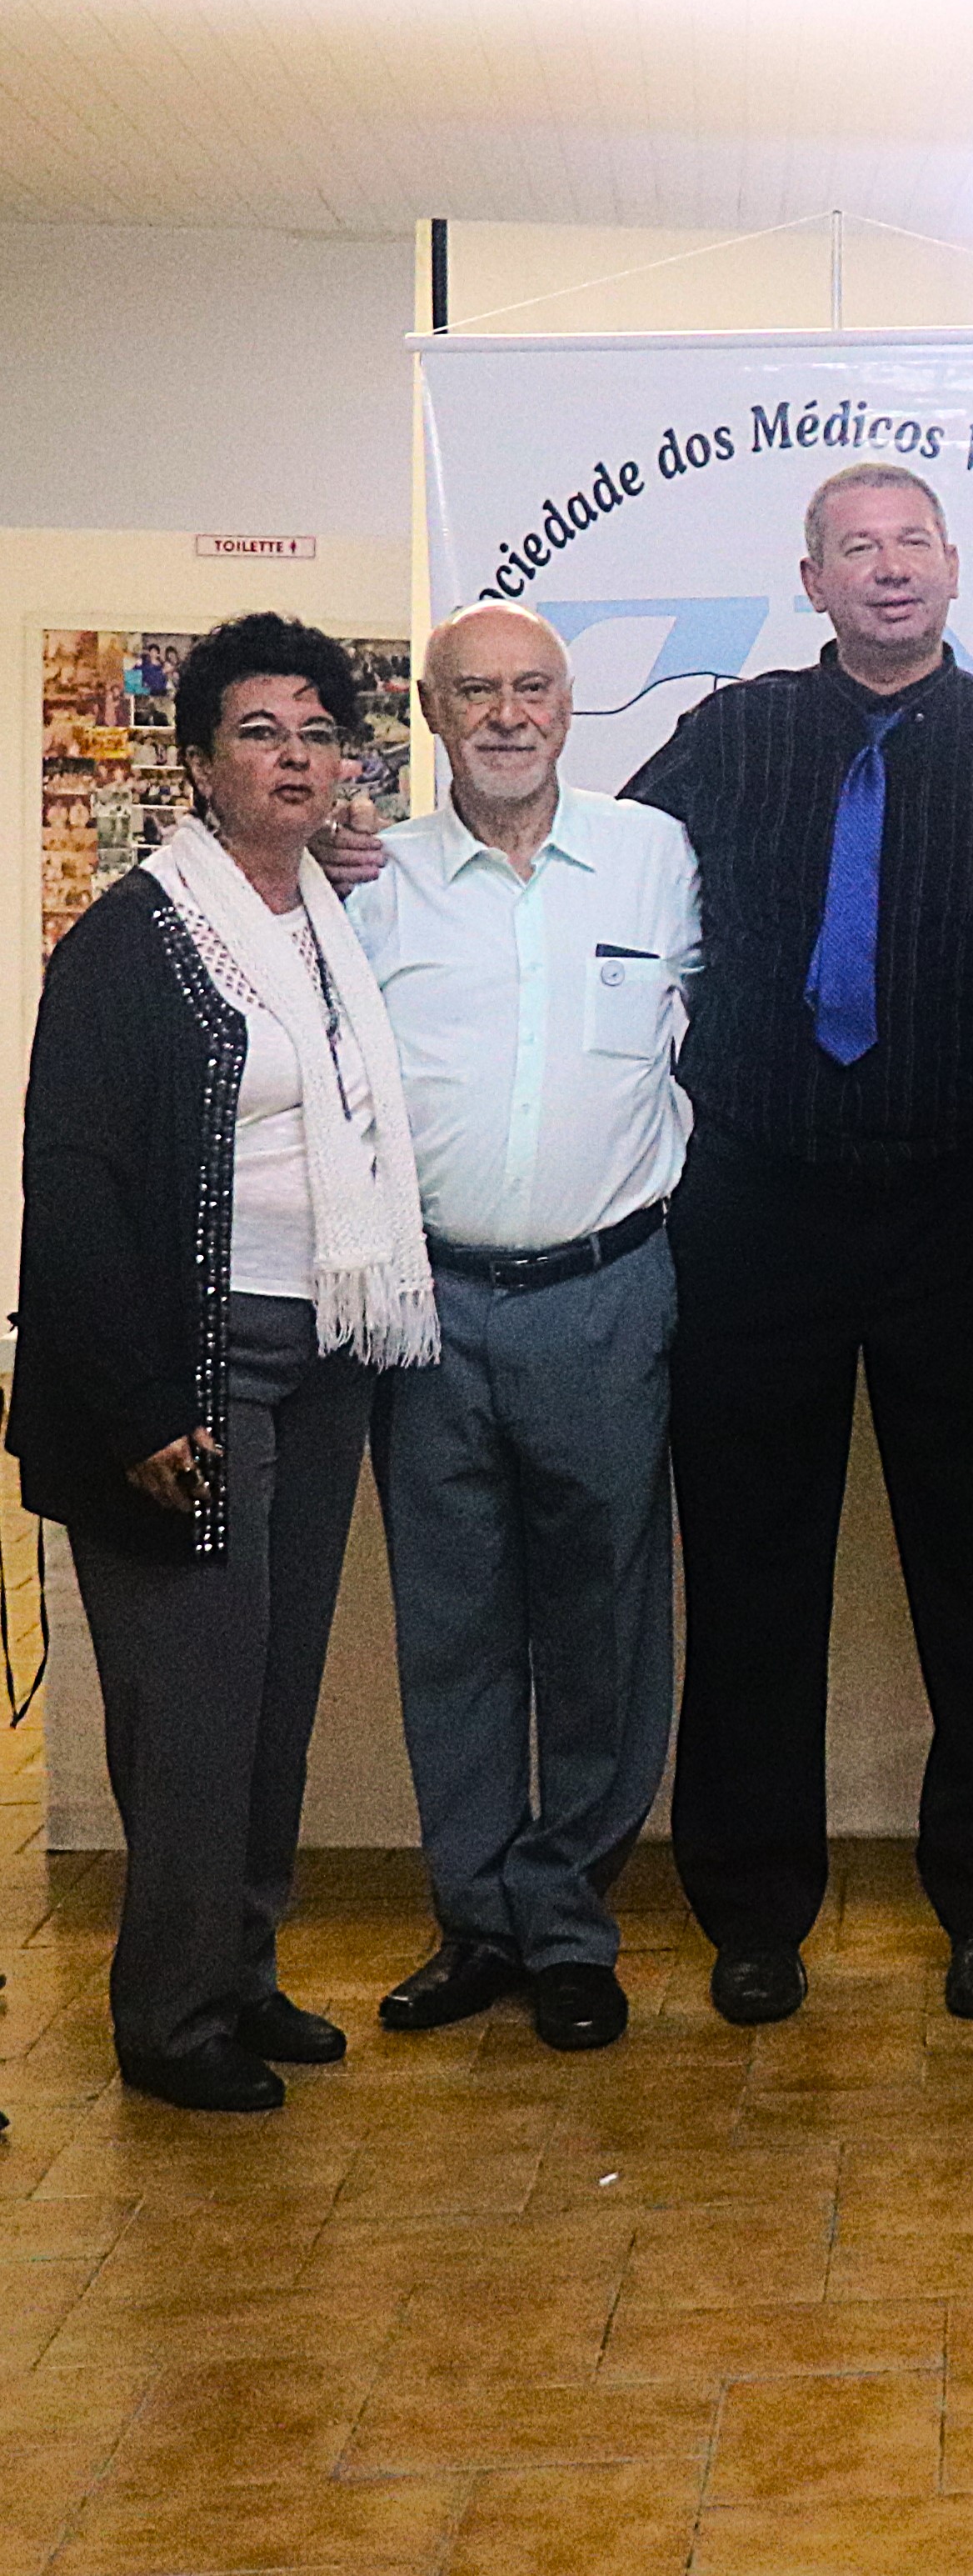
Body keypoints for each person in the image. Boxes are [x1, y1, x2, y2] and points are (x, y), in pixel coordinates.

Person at [630, 466, 973, 2026]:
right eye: (859, 548)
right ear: (812, 578)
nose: (889, 569)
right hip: (755, 1209)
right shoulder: (729, 735)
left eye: (912, 544)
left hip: (962, 1221)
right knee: (754, 1577)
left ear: (955, 570)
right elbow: (576, 885)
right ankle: (752, 1910)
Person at [13, 614, 437, 2111]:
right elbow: (68, 1185)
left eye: (319, 731)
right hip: (186, 1380)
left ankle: (242, 1973)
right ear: (196, 761)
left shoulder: (321, 920)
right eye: (261, 730)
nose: (296, 756)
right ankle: (170, 2018)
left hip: (321, 1358)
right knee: (188, 1710)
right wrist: (140, 1406)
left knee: (269, 1695)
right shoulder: (138, 937)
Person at [346, 606, 701, 2056]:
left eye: (532, 689)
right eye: (475, 691)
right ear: (430, 712)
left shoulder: (653, 857)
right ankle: (476, 1920)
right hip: (423, 1306)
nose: (506, 714)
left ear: (571, 706)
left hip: (609, 1294)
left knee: (606, 1627)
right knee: (454, 1629)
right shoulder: (366, 880)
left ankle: (568, 1920)